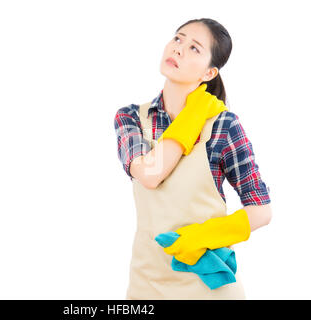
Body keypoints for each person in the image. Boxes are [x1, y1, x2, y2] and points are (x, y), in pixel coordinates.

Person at [114, 18, 272, 300]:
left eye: (194, 48)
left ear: (210, 73)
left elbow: (260, 210)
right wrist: (192, 115)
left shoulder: (223, 126)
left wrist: (205, 235)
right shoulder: (132, 117)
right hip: (145, 287)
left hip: (207, 288)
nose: (179, 49)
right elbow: (150, 174)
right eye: (178, 38)